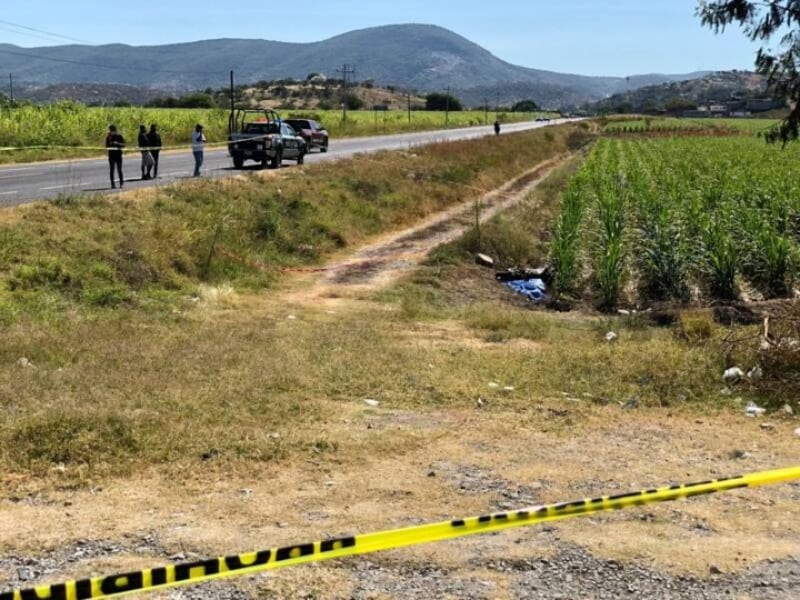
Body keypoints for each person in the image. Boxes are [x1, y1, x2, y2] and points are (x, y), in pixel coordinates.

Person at [105, 124, 125, 189]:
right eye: (111, 130)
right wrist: (111, 144)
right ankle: (112, 184)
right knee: (112, 170)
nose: (111, 131)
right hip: (111, 156)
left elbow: (123, 145)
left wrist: (117, 143)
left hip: (118, 155)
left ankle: (121, 183)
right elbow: (107, 146)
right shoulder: (108, 137)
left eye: (112, 130)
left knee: (119, 170)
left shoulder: (119, 136)